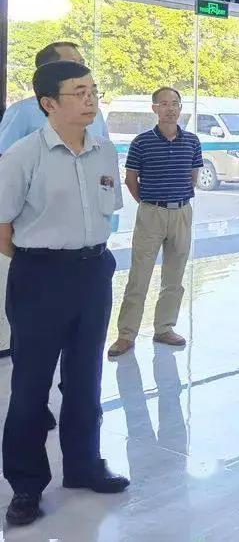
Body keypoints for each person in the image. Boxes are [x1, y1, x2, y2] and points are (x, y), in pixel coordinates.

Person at [0, 60, 129, 528]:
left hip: (93, 271)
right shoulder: (23, 155)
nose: (90, 99)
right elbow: (3, 227)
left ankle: (83, 465)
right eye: (79, 92)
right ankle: (26, 485)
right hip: (40, 276)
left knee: (85, 377)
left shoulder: (104, 151)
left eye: (93, 90)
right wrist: (41, 263)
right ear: (49, 103)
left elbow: (108, 210)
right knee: (31, 385)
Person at [108, 87, 203, 359]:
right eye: (164, 104)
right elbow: (131, 180)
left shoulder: (192, 141)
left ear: (180, 108)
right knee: (139, 275)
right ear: (154, 109)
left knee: (175, 276)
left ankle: (164, 328)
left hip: (182, 212)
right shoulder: (141, 142)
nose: (170, 108)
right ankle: (126, 334)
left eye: (175, 103)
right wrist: (149, 203)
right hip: (151, 212)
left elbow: (193, 177)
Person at [0, 41, 108, 153]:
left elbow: (105, 153)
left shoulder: (94, 112)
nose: (81, 68)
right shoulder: (22, 111)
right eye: (72, 63)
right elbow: (3, 155)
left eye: (82, 62)